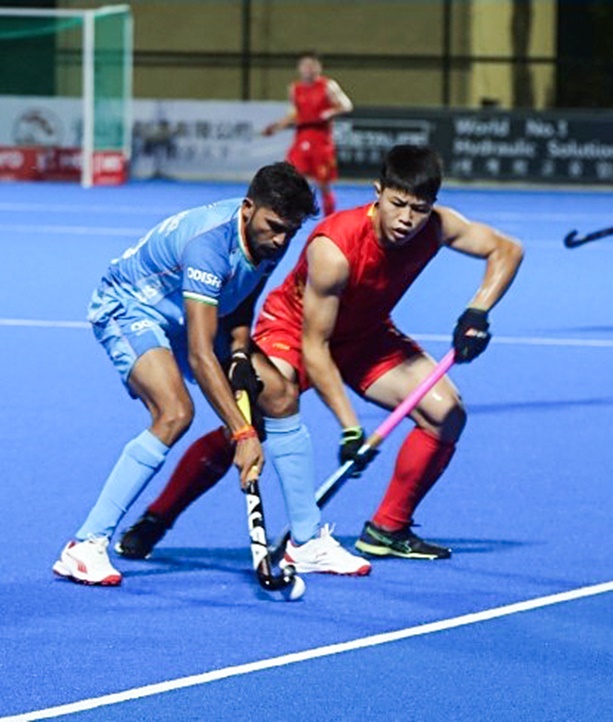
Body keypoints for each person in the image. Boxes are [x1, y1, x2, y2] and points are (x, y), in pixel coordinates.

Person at [115, 144, 524, 562]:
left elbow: (507, 250)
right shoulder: (335, 246)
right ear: (377, 192)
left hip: (366, 335)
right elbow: (316, 346)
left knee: (447, 414)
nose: (406, 219)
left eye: (418, 208)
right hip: (294, 332)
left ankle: (388, 528)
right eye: (397, 203)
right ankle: (157, 519)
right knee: (251, 420)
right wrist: (350, 428)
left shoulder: (438, 226)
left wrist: (478, 311)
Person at [54, 162, 371, 587]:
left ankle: (307, 541)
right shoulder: (208, 244)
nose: (279, 241)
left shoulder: (270, 239)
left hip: (196, 316)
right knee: (174, 412)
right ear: (247, 208)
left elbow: (239, 303)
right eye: (274, 227)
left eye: (289, 232)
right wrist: (242, 434)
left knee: (279, 393)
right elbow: (202, 356)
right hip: (132, 308)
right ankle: (86, 545)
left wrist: (240, 354)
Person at [264, 51, 353, 217]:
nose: (309, 69)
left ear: (319, 67)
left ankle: (329, 218)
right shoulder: (294, 88)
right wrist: (275, 127)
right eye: (305, 65)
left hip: (321, 140)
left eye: (312, 65)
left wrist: (329, 113)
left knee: (323, 184)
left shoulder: (328, 86)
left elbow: (346, 105)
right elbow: (293, 114)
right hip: (301, 138)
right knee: (289, 177)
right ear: (299, 68)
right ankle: (288, 214)